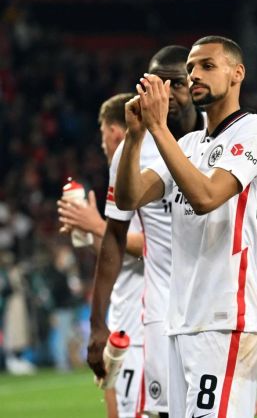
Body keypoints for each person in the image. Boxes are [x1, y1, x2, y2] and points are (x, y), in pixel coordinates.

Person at [114, 36, 257, 418]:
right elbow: (129, 197)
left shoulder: (254, 130)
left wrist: (157, 129)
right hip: (181, 321)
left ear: (237, 73)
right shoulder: (187, 143)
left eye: (207, 65)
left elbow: (206, 197)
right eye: (190, 68)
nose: (194, 75)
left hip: (225, 318)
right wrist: (136, 135)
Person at [86, 46, 201, 418]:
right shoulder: (131, 151)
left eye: (177, 84)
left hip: (217, 310)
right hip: (160, 315)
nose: (166, 94)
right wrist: (97, 323)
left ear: (194, 85)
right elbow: (115, 239)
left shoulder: (220, 140)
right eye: (157, 84)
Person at [59, 93, 146, 418]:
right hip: (121, 322)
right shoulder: (119, 180)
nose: (102, 144)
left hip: (141, 328)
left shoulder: (144, 174)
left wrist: (98, 225)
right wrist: (93, 232)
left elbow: (155, 245)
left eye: (102, 135)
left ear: (114, 132)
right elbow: (121, 255)